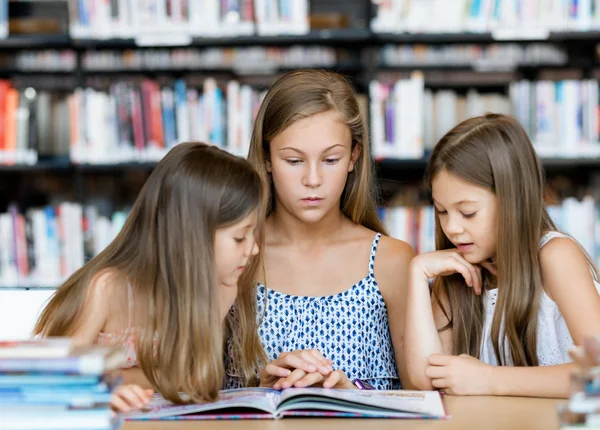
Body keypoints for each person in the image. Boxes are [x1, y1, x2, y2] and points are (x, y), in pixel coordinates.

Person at [34, 142, 266, 410]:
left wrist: (113, 377)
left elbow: (193, 379)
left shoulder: (224, 288)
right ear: (192, 237)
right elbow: (52, 380)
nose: (254, 249)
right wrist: (101, 391)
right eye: (240, 237)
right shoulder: (107, 289)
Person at [227, 69, 415, 390]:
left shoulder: (392, 260)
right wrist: (261, 388)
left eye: (330, 160)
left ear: (354, 157)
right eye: (294, 161)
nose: (312, 180)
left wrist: (350, 396)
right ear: (267, 158)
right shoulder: (236, 255)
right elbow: (198, 391)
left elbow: (423, 399)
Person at [402, 114, 600, 398]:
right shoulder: (458, 269)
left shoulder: (555, 256)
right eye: (442, 211)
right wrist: (418, 272)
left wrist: (490, 379)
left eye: (468, 212)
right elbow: (426, 379)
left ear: (512, 202)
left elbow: (596, 374)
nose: (453, 228)